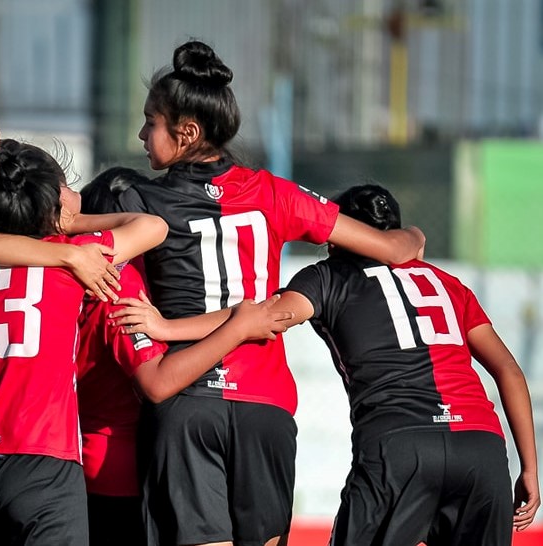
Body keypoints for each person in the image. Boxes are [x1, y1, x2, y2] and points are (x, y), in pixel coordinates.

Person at [113, 40, 426, 546]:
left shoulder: (134, 196)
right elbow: (393, 249)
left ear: (187, 132)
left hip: (187, 398)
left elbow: (65, 226)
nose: (142, 134)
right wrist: (413, 236)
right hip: (265, 406)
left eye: (151, 122)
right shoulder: (275, 192)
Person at [273, 184, 540, 545]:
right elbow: (508, 370)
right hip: (480, 447)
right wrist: (529, 466)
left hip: (399, 444)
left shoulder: (327, 277)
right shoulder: (448, 284)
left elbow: (271, 318)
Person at [0, 139, 169, 546]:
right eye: (65, 186)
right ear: (51, 205)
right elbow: (153, 226)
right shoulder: (74, 258)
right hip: (43, 460)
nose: (76, 195)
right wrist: (70, 224)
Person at [76, 167, 294, 546]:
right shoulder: (121, 289)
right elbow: (157, 382)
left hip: (86, 461)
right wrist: (238, 327)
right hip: (122, 473)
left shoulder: (72, 276)